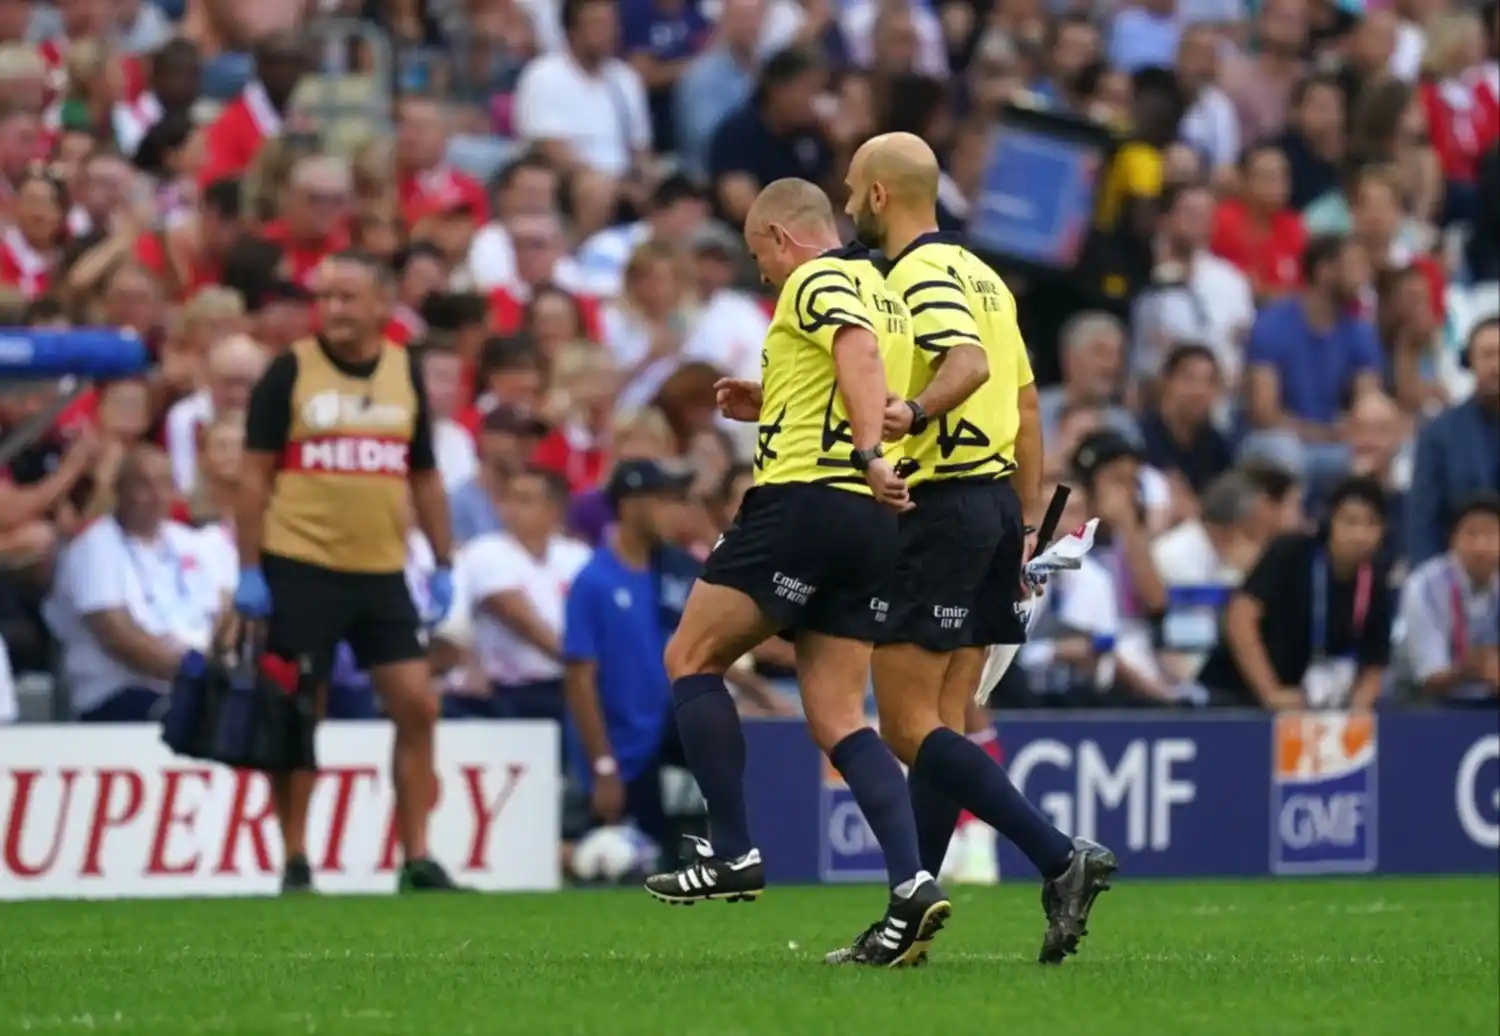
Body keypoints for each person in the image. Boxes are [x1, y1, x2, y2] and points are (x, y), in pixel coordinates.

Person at [646, 177, 949, 968]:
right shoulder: (885, 291)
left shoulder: (816, 279)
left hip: (805, 502)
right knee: (840, 716)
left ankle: (732, 850)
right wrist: (775, 400)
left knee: (691, 657)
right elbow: (863, 376)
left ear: (783, 238)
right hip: (870, 524)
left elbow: (853, 352)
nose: (763, 273)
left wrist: (869, 452)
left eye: (760, 256)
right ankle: (912, 881)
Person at [835, 132, 1113, 967]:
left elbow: (965, 364)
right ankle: (906, 923)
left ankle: (1059, 856)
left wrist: (915, 412)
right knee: (945, 726)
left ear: (880, 195)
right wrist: (1023, 525)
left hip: (942, 505)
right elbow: (1024, 407)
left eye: (851, 189)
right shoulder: (984, 275)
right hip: (993, 504)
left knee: (906, 725)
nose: (846, 204)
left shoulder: (915, 273)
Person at [233, 250, 460, 894]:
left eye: (346, 297)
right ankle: (295, 858)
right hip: (300, 564)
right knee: (300, 710)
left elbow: (424, 475)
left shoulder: (402, 371)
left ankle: (416, 855)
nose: (332, 309)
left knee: (417, 705)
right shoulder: (289, 371)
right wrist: (249, 569)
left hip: (381, 569)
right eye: (324, 297)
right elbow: (253, 477)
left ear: (382, 304)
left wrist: (444, 559)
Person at [563, 459, 701, 855]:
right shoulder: (594, 581)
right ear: (629, 506)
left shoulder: (670, 574)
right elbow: (580, 680)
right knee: (636, 861)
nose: (674, 512)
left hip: (662, 732)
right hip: (622, 749)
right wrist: (602, 766)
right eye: (663, 501)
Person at [44, 447, 229, 722]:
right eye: (144, 486)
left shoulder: (190, 542)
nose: (156, 496)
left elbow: (226, 610)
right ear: (119, 489)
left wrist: (217, 669)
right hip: (119, 693)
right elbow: (118, 636)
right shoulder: (95, 546)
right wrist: (194, 674)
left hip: (194, 685)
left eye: (164, 485)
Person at [1200, 475, 1393, 711]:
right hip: (1237, 696)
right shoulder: (1290, 553)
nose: (1360, 534)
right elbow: (1239, 618)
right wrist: (1270, 693)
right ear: (1330, 521)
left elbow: (1375, 662)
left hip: (1311, 706)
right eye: (1350, 522)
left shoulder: (1376, 582)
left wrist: (1356, 712)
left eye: (1371, 523)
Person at [1408, 317, 1500, 563]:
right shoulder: (1438, 434)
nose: (1496, 366)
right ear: (1469, 362)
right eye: (1488, 355)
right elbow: (1423, 521)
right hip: (1456, 571)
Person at [1396, 493, 1500, 705]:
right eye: (1471, 533)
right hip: (1424, 701)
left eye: (1491, 534)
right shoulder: (1425, 587)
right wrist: (1475, 667)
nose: (1481, 546)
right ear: (1453, 540)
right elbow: (1430, 677)